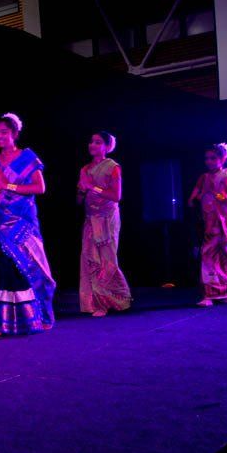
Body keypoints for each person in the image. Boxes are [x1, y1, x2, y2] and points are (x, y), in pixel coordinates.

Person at [0, 113, 55, 336]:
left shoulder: (28, 157)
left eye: (4, 132)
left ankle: (38, 319)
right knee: (6, 272)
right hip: (2, 226)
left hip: (24, 224)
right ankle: (7, 325)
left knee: (30, 269)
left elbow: (40, 188)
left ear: (15, 134)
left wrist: (8, 185)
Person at [77, 131, 132, 316]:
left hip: (107, 219)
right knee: (90, 259)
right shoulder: (84, 170)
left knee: (107, 260)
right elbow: (78, 200)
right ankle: (94, 303)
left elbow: (116, 196)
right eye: (91, 141)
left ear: (107, 147)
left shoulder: (113, 167)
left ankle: (115, 301)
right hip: (90, 219)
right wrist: (81, 190)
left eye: (98, 142)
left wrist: (93, 187)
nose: (92, 144)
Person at [187, 142, 227, 306]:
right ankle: (210, 294)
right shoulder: (204, 177)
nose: (209, 161)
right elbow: (195, 195)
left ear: (222, 159)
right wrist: (195, 199)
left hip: (224, 221)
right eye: (207, 158)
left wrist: (215, 196)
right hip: (210, 223)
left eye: (213, 158)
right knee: (208, 255)